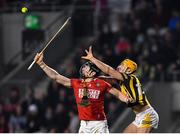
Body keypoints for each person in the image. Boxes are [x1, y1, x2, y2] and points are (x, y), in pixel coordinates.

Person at [34, 53, 130, 133]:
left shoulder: (101, 83)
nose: (83, 68)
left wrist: (126, 99)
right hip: (84, 124)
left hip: (98, 124)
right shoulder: (77, 83)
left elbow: (117, 93)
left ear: (92, 73)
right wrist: (42, 64)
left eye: (86, 68)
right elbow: (56, 77)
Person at [81, 46, 159, 133]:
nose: (119, 66)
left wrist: (92, 59)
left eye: (122, 65)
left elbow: (109, 71)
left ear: (128, 70)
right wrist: (90, 77)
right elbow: (107, 78)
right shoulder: (125, 80)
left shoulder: (129, 78)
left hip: (147, 114)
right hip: (140, 116)